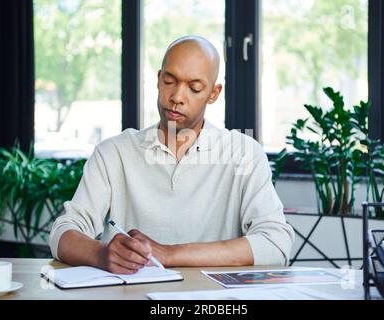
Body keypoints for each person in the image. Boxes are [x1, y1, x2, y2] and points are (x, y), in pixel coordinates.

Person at [49, 35, 294, 274]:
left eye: (194, 88)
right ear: (158, 79)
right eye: (169, 81)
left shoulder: (244, 153)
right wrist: (101, 254)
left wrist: (169, 254)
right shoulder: (114, 152)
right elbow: (63, 232)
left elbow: (276, 243)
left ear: (213, 93)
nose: (177, 97)